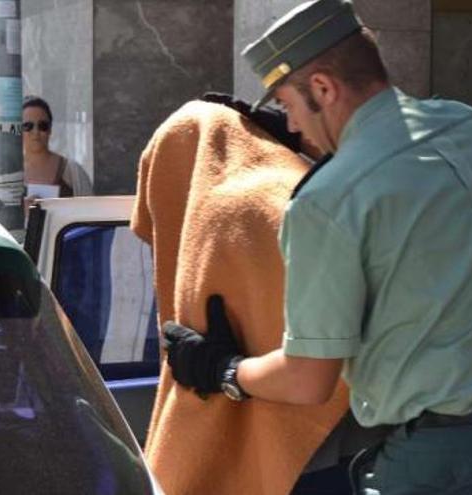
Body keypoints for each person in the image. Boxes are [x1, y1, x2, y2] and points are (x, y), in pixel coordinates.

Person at [161, 1, 472, 493]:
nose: (290, 126)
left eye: (288, 105)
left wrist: (224, 369)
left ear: (324, 88)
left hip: (456, 461)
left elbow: (308, 380)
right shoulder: (465, 127)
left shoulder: (326, 203)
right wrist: (333, 142)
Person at [132, 97, 384, 495]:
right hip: (367, 433)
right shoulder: (305, 184)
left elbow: (306, 377)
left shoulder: (216, 212)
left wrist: (222, 370)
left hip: (295, 425)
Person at [22, 95, 92, 204]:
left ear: (50, 129)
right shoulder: (10, 175)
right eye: (27, 126)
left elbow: (90, 213)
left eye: (43, 126)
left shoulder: (72, 172)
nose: (35, 132)